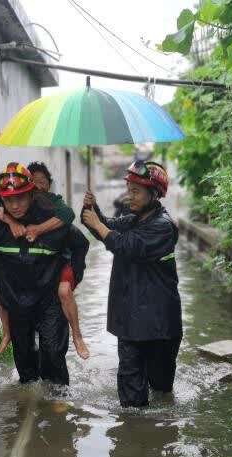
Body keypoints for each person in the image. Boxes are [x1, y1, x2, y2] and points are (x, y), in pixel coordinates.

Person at [81, 160, 182, 407]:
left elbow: (128, 246)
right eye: (129, 190)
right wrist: (92, 209)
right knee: (132, 401)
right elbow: (107, 228)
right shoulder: (133, 220)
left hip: (159, 325)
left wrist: (98, 224)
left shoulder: (163, 227)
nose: (129, 196)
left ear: (154, 194)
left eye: (136, 191)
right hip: (130, 321)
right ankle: (133, 429)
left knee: (162, 390)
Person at [0, 162, 89, 385]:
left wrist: (72, 277)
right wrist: (4, 284)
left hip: (49, 300)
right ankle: (29, 395)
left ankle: (59, 396)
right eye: (9, 200)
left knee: (53, 352)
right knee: (24, 358)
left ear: (32, 195)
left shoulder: (52, 219)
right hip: (17, 302)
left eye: (20, 198)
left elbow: (80, 243)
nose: (15, 206)